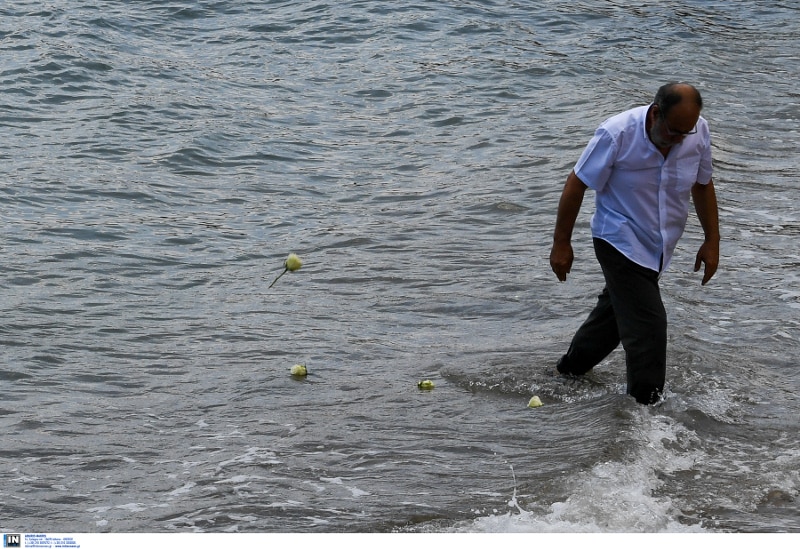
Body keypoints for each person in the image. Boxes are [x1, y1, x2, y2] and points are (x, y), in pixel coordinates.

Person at [549, 82, 720, 405]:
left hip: (659, 244)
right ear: (656, 113)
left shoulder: (697, 132)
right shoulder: (617, 133)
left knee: (614, 318)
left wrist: (712, 241)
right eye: (673, 132)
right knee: (649, 327)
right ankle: (646, 412)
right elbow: (577, 182)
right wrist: (562, 244)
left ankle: (567, 373)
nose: (679, 139)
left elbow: (702, 184)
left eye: (686, 132)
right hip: (618, 239)